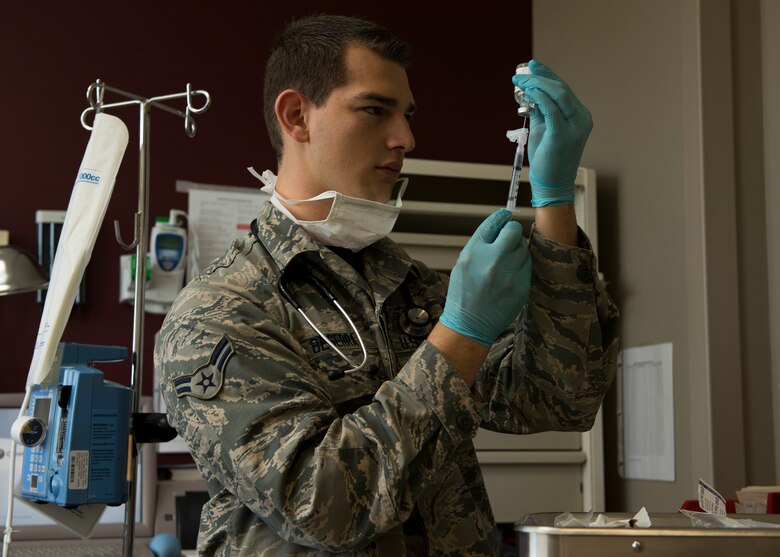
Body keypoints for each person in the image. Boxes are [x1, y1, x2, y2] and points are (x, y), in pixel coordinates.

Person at [155, 13, 619, 556]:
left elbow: (559, 398)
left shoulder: (411, 288)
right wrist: (462, 333)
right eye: (375, 110)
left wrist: (555, 201)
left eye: (406, 114)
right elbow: (322, 506)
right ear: (297, 116)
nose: (406, 138)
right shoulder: (217, 315)